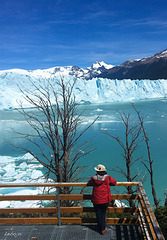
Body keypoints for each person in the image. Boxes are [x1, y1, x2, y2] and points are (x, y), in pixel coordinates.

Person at [87, 164, 117, 235]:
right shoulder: (107, 178)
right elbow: (114, 182)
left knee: (98, 213)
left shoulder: (93, 178)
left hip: (96, 200)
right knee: (103, 214)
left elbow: (89, 182)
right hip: (105, 200)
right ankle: (103, 229)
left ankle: (100, 227)